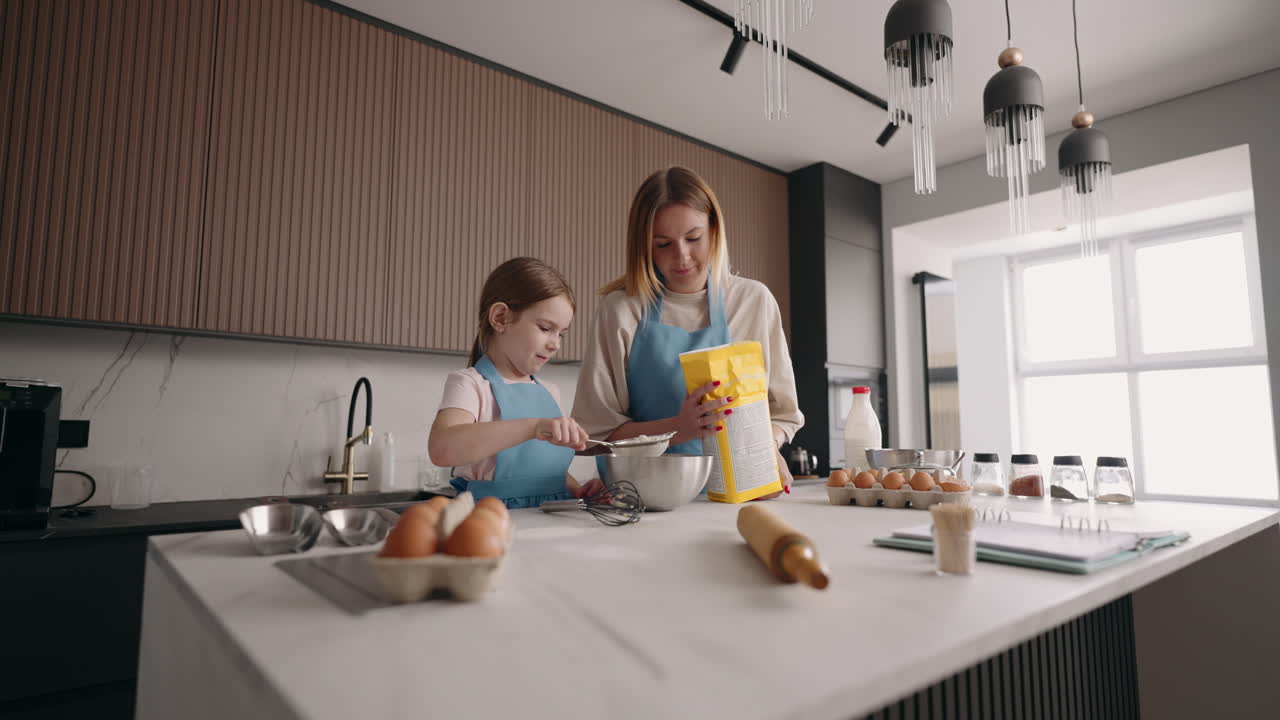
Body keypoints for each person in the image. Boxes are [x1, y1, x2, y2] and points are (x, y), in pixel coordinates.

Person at [572, 166, 803, 497]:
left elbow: (782, 414)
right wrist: (678, 429)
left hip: (742, 496)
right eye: (663, 244)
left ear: (715, 230)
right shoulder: (621, 309)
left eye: (693, 238)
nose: (681, 257)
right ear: (644, 246)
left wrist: (767, 445)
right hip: (647, 497)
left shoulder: (753, 301)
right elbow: (596, 436)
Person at [428, 257, 601, 508]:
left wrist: (578, 490)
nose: (556, 344)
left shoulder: (550, 392)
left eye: (561, 333)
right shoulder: (470, 385)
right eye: (545, 328)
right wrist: (534, 427)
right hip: (490, 521)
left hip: (553, 522)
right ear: (500, 318)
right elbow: (442, 449)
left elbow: (542, 470)